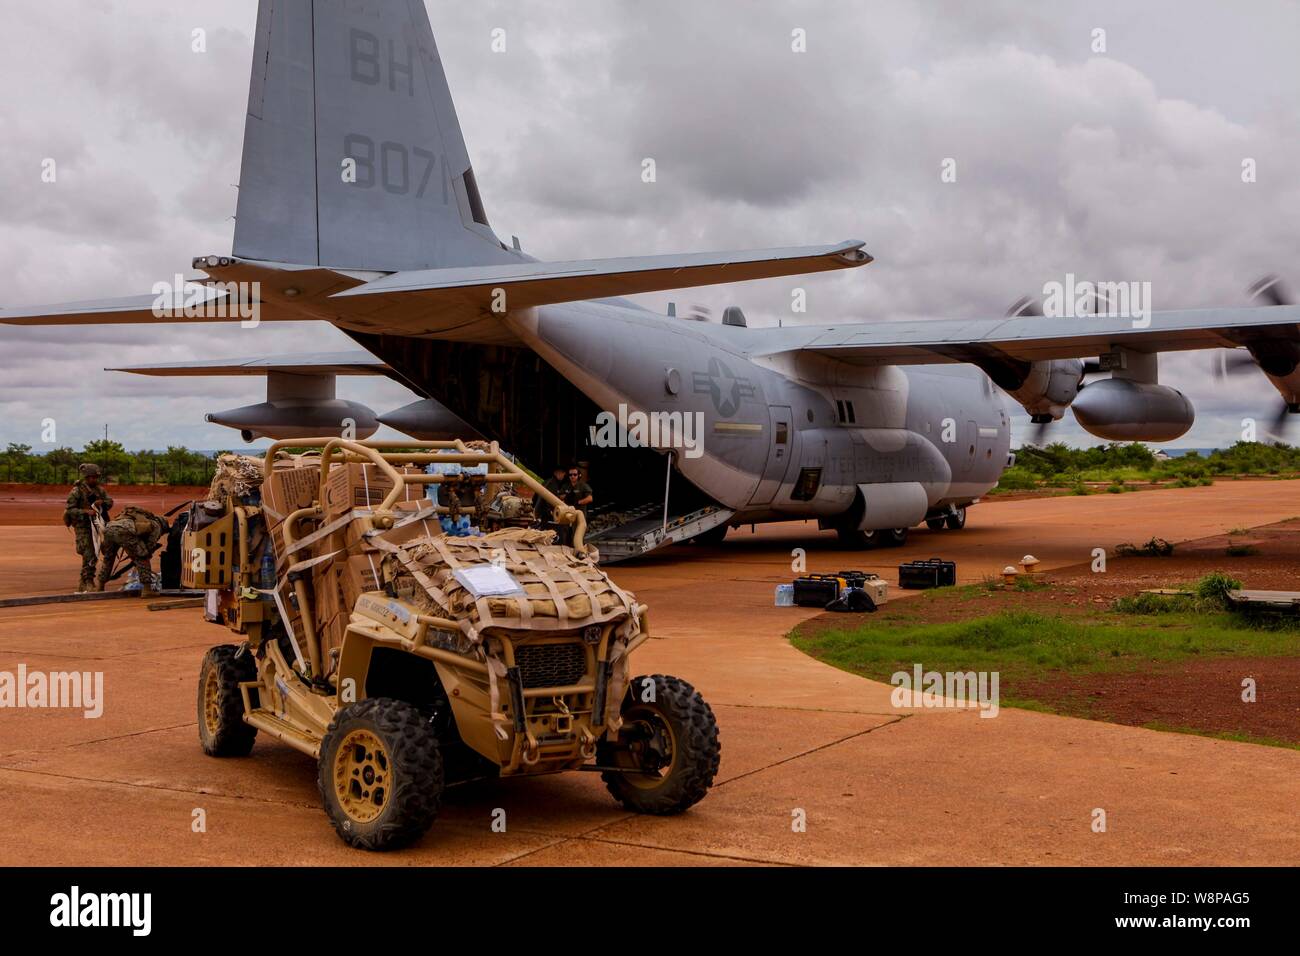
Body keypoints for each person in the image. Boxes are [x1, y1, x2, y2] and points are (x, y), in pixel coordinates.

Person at [96, 506, 169, 598]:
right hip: (125, 531)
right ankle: (147, 590)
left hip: (110, 528)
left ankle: (100, 586)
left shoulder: (139, 518)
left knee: (108, 558)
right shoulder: (156, 526)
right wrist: (142, 554)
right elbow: (149, 547)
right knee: (143, 558)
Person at [64, 463, 113, 593]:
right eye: (92, 477)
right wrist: (85, 512)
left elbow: (110, 501)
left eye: (96, 477)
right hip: (83, 526)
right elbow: (70, 510)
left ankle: (83, 581)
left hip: (97, 525)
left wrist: (102, 503)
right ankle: (88, 581)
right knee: (89, 554)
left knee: (96, 553)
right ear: (86, 477)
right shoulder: (77, 491)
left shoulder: (99, 490)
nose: (94, 480)